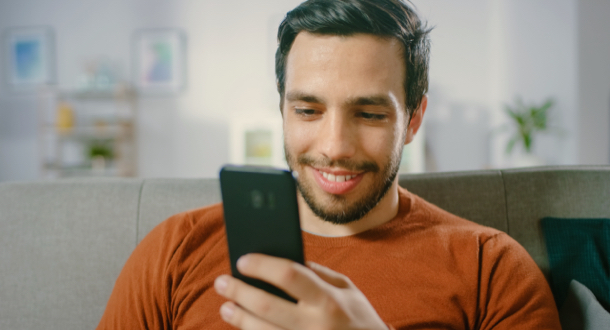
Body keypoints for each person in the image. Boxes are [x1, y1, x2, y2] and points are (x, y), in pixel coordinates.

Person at [97, 0, 561, 329]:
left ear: (414, 118)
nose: (335, 146)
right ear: (281, 110)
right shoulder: (174, 251)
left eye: (370, 114)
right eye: (308, 110)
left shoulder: (491, 269)